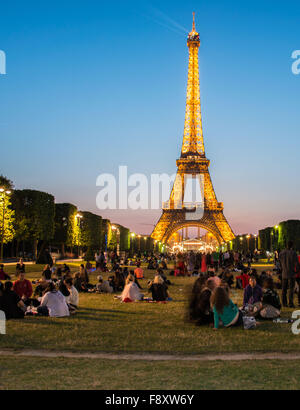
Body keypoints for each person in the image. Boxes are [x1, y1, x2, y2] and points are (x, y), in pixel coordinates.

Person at [279, 241, 300, 307]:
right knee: (291, 289)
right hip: (291, 273)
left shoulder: (281, 253)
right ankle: (290, 303)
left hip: (284, 273)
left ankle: (284, 303)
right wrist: (296, 271)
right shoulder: (293, 253)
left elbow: (279, 263)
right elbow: (297, 264)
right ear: (292, 246)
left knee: (284, 289)